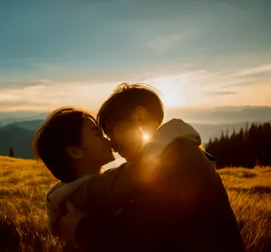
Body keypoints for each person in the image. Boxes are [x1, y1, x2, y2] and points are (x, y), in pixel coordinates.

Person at [61, 84, 246, 252]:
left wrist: (80, 228)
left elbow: (142, 237)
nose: (112, 145)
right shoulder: (166, 157)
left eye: (112, 132)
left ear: (139, 117)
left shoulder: (177, 158)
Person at [33, 104, 202, 245]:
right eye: (97, 134)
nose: (109, 141)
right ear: (76, 152)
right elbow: (137, 171)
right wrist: (172, 131)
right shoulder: (88, 193)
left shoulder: (82, 189)